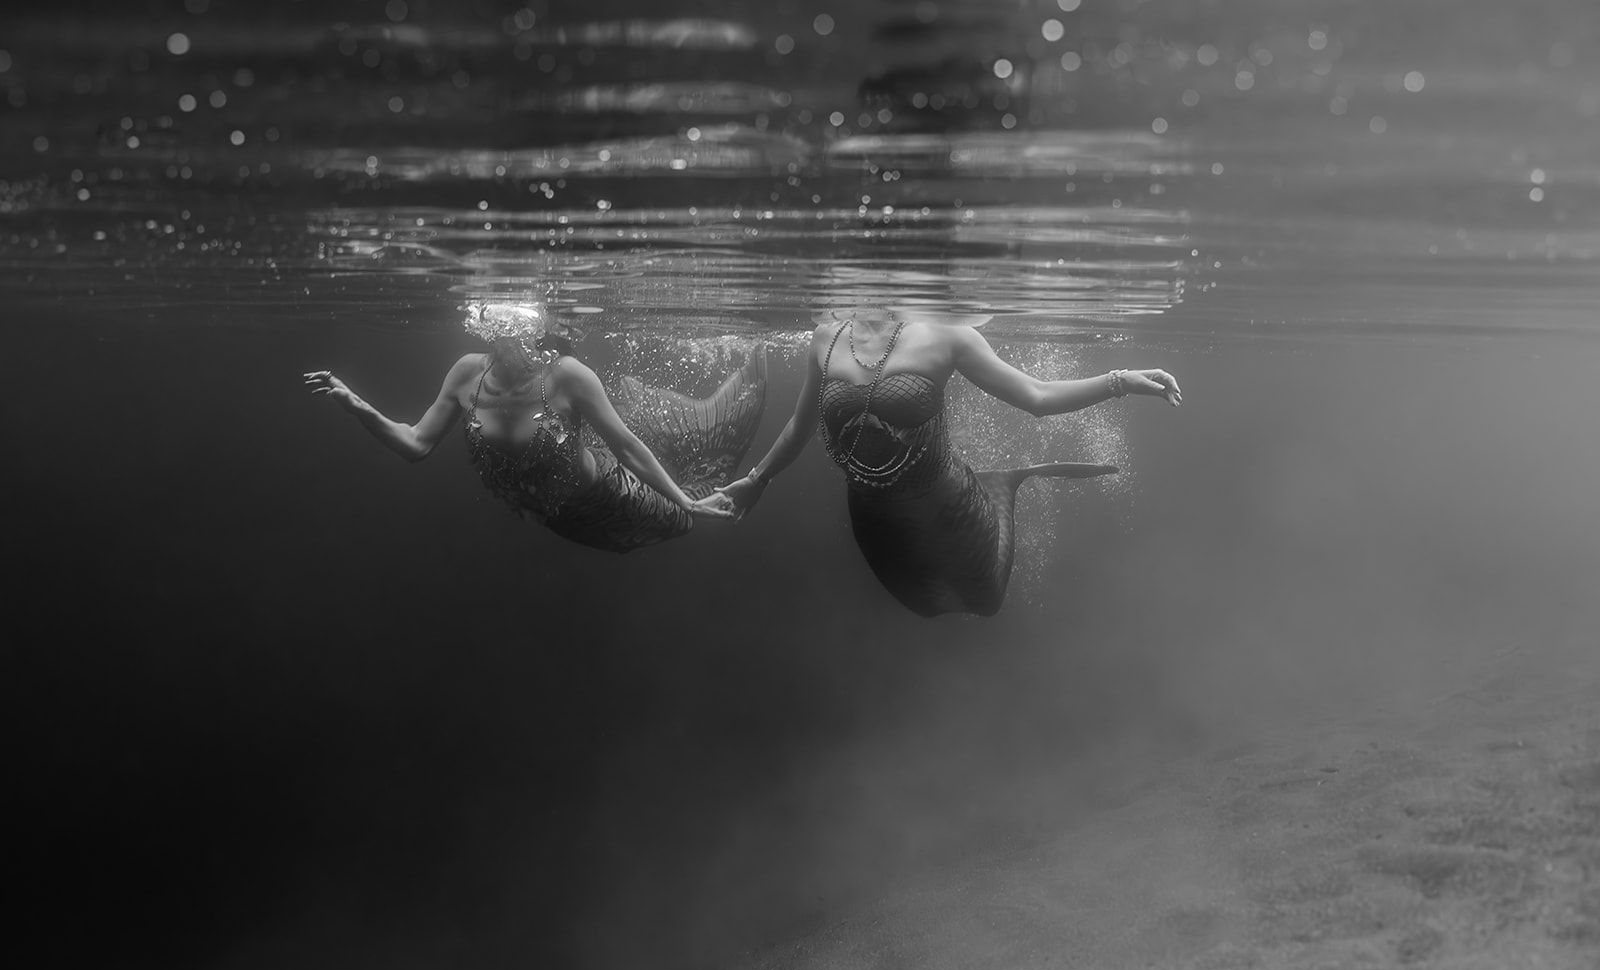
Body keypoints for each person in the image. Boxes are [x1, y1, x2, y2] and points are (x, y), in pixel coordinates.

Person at [713, 311, 1181, 616]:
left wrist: (1119, 380)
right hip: (872, 515)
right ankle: (994, 484)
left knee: (984, 599)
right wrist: (757, 479)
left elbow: (1037, 396)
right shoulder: (826, 337)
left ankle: (1001, 486)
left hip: (946, 503)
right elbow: (800, 427)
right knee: (924, 605)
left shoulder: (947, 335)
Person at [305, 302, 766, 552]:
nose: (511, 335)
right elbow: (416, 445)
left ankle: (724, 401)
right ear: (488, 329)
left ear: (535, 329)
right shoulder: (467, 372)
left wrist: (684, 500)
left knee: (685, 516)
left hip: (609, 496)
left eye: (521, 325)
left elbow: (626, 448)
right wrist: (356, 406)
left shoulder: (566, 374)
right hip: (556, 519)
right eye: (499, 324)